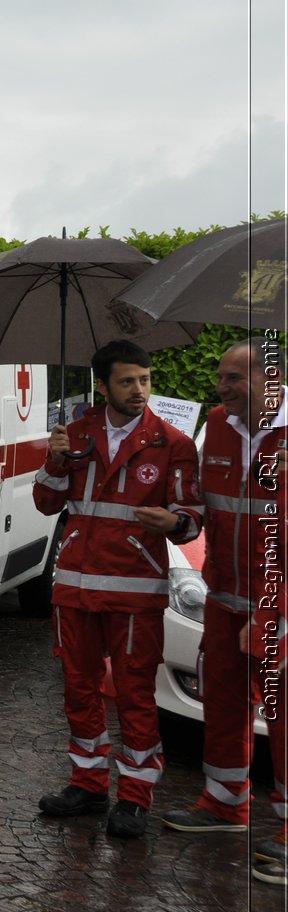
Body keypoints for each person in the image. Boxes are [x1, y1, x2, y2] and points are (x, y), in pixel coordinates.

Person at [33, 340, 203, 839]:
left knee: (134, 695)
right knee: (79, 690)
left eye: (145, 380)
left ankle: (134, 797)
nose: (139, 390)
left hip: (134, 593)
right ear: (102, 385)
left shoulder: (173, 443)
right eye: (128, 381)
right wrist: (56, 460)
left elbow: (192, 519)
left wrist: (173, 520)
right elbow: (46, 503)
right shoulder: (75, 434)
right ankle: (87, 785)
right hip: (75, 591)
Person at [160, 339, 287, 880]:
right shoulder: (217, 423)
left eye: (233, 377)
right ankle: (224, 801)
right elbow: (209, 507)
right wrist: (178, 523)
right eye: (220, 376)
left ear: (270, 380)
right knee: (225, 698)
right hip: (226, 596)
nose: (221, 386)